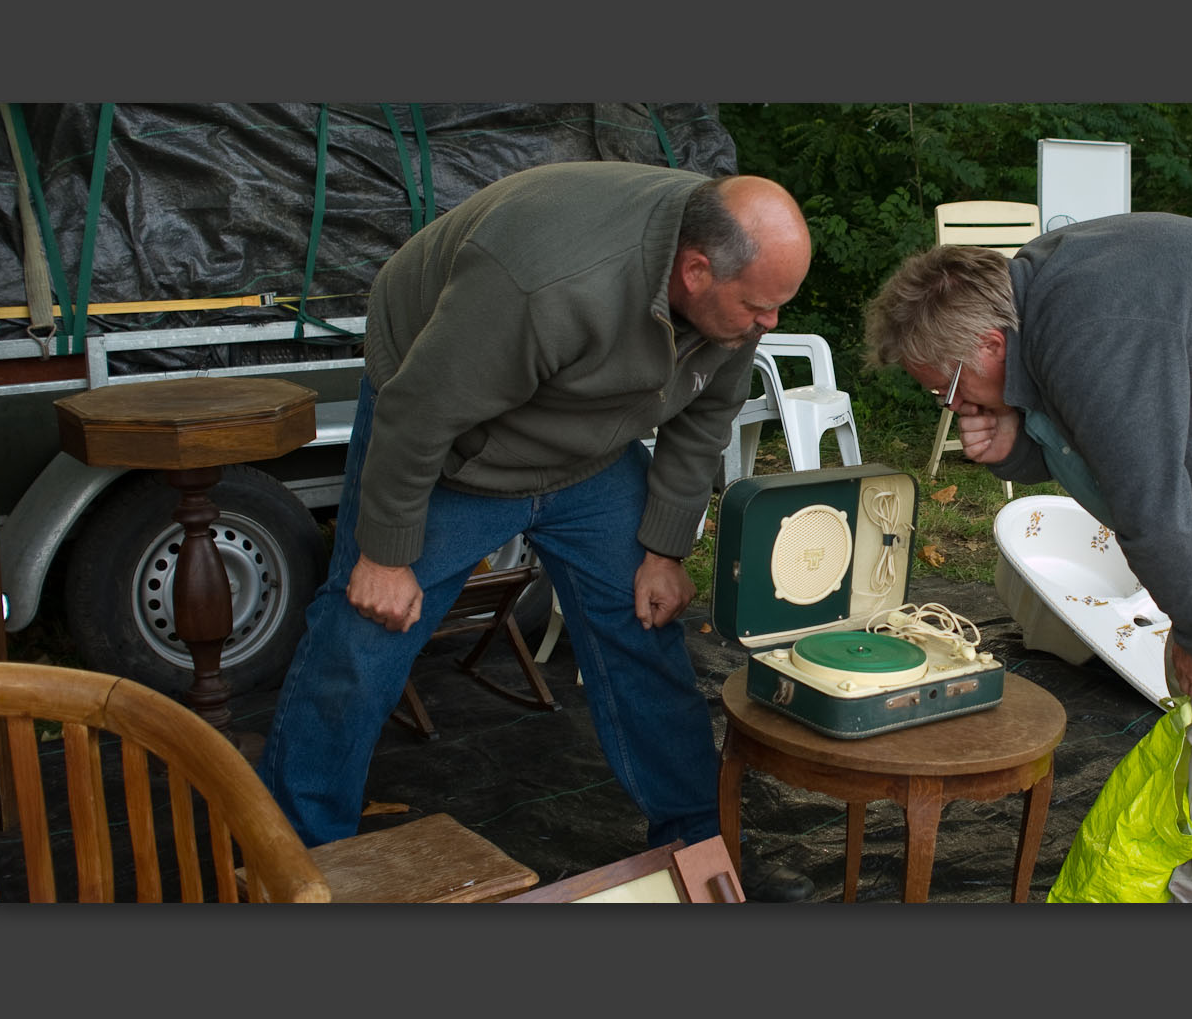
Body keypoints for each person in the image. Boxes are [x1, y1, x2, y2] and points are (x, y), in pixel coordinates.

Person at [259, 160, 819, 901]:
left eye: (777, 307)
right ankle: (296, 860)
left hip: (588, 451)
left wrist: (663, 550)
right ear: (693, 272)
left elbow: (703, 421)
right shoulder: (543, 283)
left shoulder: (737, 283)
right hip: (457, 443)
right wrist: (386, 555)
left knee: (644, 622)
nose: (769, 324)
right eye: (759, 308)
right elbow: (416, 414)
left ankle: (697, 847)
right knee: (363, 635)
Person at [863, 212, 1192, 903]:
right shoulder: (1035, 301)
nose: (949, 405)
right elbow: (1088, 436)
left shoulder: (1090, 330)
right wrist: (1018, 444)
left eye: (946, 388)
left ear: (989, 342)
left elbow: (1149, 501)